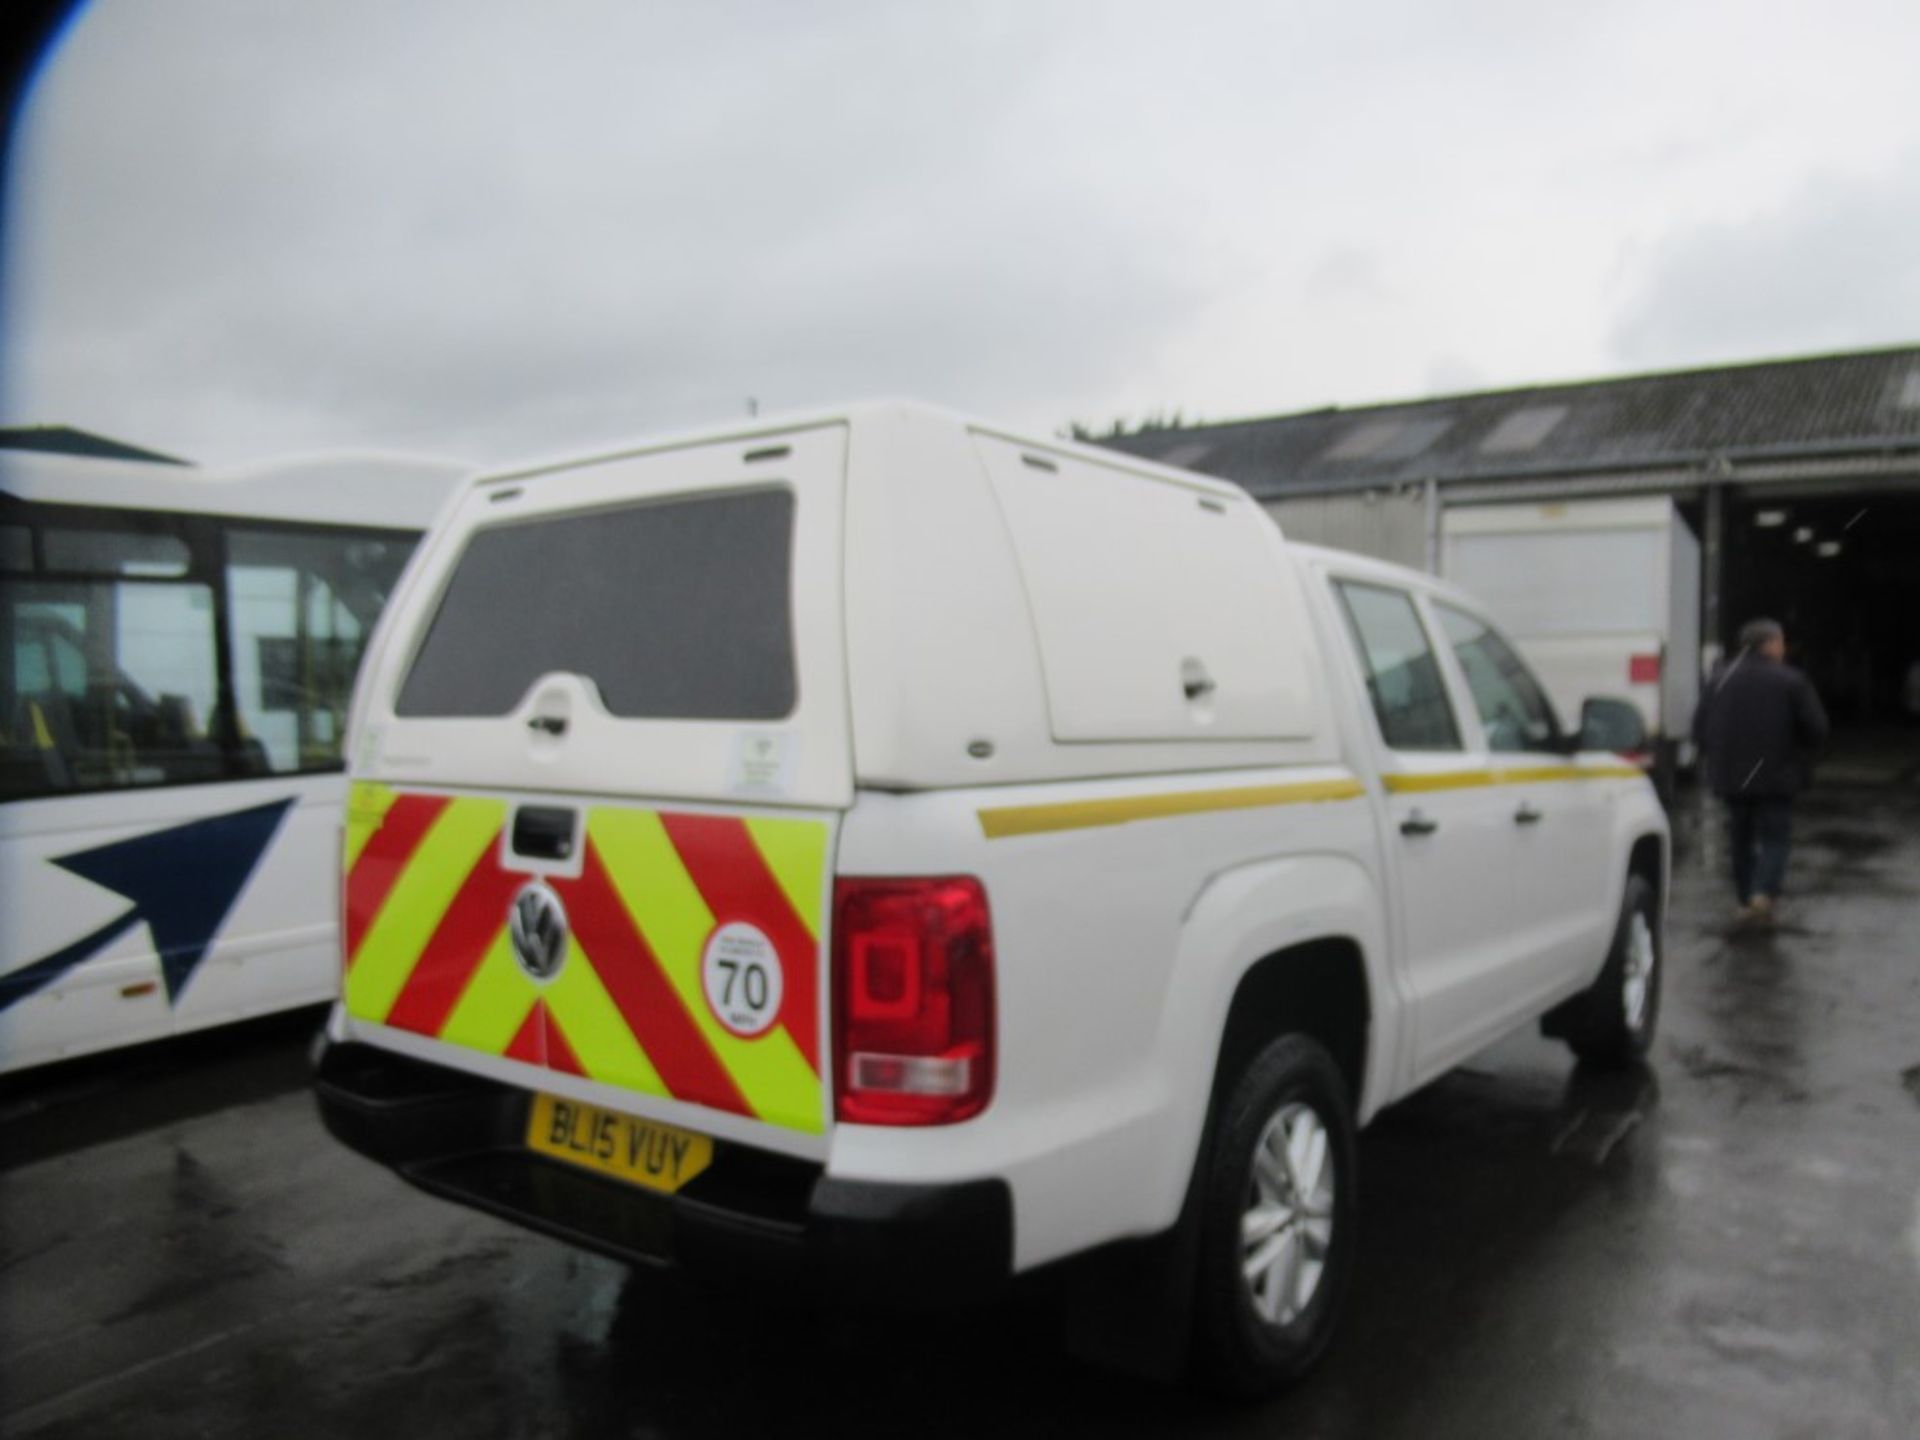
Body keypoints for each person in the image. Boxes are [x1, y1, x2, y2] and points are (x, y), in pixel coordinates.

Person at [1691, 618, 1829, 926]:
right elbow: (1817, 728)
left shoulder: (1719, 680)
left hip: (1732, 776)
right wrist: (1803, 755)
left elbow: (1699, 728)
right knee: (1775, 836)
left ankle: (1745, 897)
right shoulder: (1791, 680)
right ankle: (1763, 892)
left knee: (1740, 837)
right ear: (1771, 644)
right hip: (1776, 774)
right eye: (1781, 641)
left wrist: (1717, 757)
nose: (1783, 648)